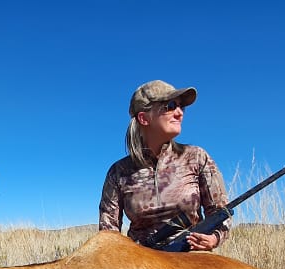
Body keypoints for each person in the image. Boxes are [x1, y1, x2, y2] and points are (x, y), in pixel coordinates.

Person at [99, 80, 231, 251]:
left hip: (192, 255)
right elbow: (108, 234)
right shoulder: (118, 172)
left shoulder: (197, 157)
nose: (179, 113)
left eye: (181, 107)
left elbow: (220, 211)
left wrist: (214, 238)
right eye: (170, 105)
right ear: (144, 118)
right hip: (140, 261)